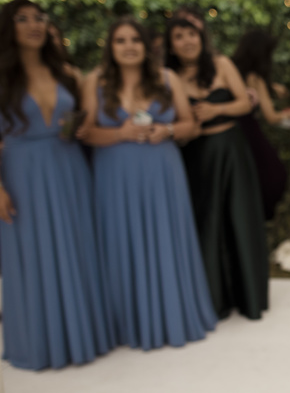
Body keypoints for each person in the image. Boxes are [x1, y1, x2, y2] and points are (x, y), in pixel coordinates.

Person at [0, 0, 111, 370]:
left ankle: (86, 335)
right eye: (23, 19)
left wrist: (80, 127)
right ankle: (40, 341)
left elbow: (86, 120)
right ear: (9, 27)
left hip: (70, 168)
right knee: (33, 252)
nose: (34, 24)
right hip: (23, 172)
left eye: (39, 17)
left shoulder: (67, 72)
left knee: (78, 246)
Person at [80, 18, 217, 350]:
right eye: (120, 40)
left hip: (161, 172)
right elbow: (85, 132)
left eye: (135, 40)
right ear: (110, 47)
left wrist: (166, 130)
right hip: (115, 174)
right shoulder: (95, 81)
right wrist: (120, 133)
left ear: (146, 46)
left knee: (165, 238)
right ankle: (125, 323)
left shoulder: (167, 78)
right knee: (119, 240)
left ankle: (172, 316)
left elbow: (191, 126)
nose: (129, 47)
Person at [165, 14, 270, 321]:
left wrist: (216, 109)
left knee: (239, 219)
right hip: (195, 155)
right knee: (206, 224)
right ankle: (212, 298)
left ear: (201, 37)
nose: (187, 41)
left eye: (192, 34)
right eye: (179, 36)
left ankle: (248, 296)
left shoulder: (222, 64)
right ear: (171, 44)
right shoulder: (168, 76)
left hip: (230, 151)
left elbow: (245, 103)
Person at [230, 27, 290, 221]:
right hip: (250, 132)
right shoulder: (255, 77)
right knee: (274, 176)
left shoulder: (232, 71)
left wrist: (271, 86)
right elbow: (271, 116)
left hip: (232, 133)